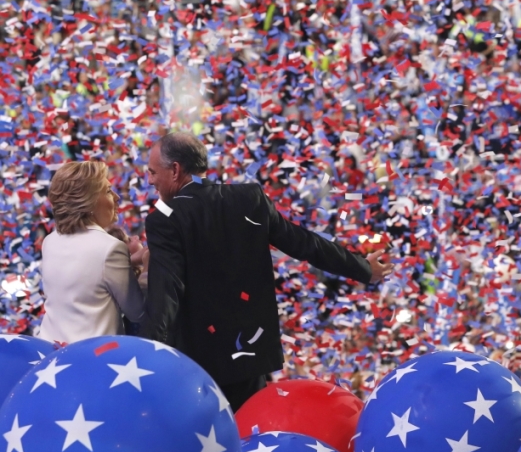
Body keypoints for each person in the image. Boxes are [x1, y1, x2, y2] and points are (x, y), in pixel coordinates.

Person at [140, 132, 394, 411]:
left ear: (175, 169)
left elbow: (166, 293)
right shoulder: (249, 198)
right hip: (250, 357)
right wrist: (363, 268)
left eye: (153, 172)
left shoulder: (164, 220)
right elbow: (304, 243)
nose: (151, 180)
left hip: (198, 365)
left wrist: (149, 359)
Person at [38, 161, 147, 345]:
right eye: (107, 191)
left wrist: (128, 262)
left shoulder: (50, 241)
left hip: (52, 355)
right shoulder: (111, 248)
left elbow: (87, 282)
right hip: (93, 359)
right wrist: (146, 266)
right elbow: (139, 312)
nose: (117, 196)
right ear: (87, 202)